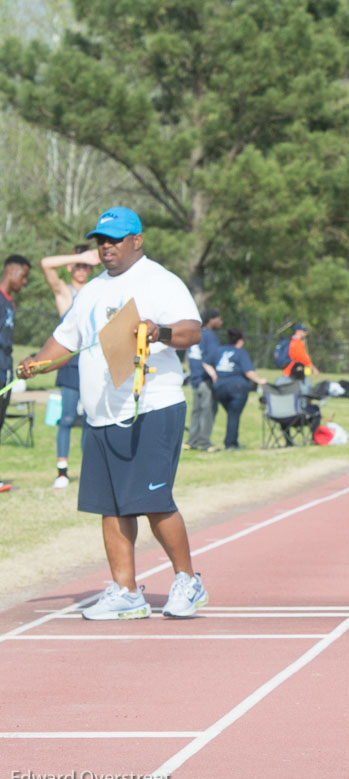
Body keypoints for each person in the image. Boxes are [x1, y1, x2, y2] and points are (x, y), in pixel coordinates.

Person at [17, 206, 209, 619]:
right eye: (100, 241)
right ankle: (126, 592)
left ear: (137, 241)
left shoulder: (159, 281)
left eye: (114, 240)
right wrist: (37, 362)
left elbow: (193, 331)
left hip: (153, 406)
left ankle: (187, 581)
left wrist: (161, 331)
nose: (105, 248)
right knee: (112, 506)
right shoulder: (91, 291)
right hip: (101, 413)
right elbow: (63, 343)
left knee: (153, 501)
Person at [40, 245, 98, 488]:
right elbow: (46, 263)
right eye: (78, 266)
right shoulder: (65, 292)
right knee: (66, 417)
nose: (82, 270)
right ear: (71, 267)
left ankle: (89, 471)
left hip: (93, 362)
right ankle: (62, 472)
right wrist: (79, 257)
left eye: (87, 266)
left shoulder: (97, 291)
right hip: (70, 364)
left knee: (91, 420)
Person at [0, 255, 32, 494]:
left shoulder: (9, 303)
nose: (25, 282)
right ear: (11, 271)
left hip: (6, 374)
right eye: (24, 276)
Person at [208, 327, 266, 450]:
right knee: (234, 415)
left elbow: (205, 362)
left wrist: (213, 374)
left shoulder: (219, 350)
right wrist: (259, 381)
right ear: (240, 341)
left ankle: (231, 441)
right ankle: (231, 444)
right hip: (237, 388)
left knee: (231, 414)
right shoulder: (241, 353)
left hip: (219, 388)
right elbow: (248, 371)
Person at [184, 308, 222, 452]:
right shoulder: (210, 336)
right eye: (219, 319)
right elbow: (210, 358)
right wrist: (213, 374)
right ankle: (204, 443)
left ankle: (191, 441)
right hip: (205, 379)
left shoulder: (197, 334)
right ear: (211, 320)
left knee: (196, 411)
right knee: (208, 410)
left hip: (195, 377)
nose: (221, 322)